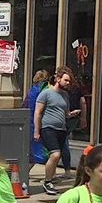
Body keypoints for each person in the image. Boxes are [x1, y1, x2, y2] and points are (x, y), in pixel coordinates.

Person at [35, 67, 80, 195]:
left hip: (61, 128)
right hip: (48, 127)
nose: (67, 83)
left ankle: (51, 179)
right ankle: (47, 181)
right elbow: (37, 113)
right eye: (66, 80)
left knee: (56, 155)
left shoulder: (65, 95)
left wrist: (71, 114)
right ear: (58, 79)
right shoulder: (46, 93)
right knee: (55, 154)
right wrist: (37, 131)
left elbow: (65, 113)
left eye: (69, 81)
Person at [25, 70, 51, 167]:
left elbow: (25, 105)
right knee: (41, 153)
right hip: (39, 123)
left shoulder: (32, 89)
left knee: (32, 152)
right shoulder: (44, 90)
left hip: (30, 121)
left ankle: (25, 173)